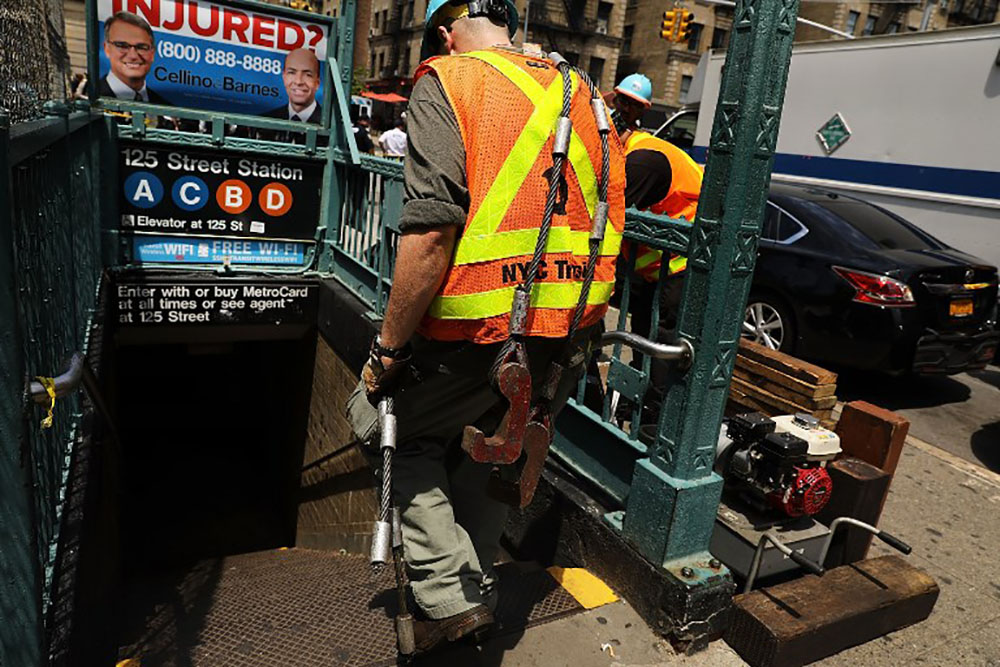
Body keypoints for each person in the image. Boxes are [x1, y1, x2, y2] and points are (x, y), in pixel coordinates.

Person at [346, 0, 625, 653]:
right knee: (493, 451)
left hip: (474, 331)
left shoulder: (449, 79)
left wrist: (386, 351)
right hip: (566, 326)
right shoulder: (581, 90)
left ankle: (446, 600)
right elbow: (607, 207)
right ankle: (478, 597)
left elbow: (432, 232)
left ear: (446, 31)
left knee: (384, 426)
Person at [609, 73, 704, 422]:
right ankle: (641, 400)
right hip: (653, 268)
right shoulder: (630, 153)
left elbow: (605, 218)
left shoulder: (641, 161)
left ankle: (654, 417)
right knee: (643, 334)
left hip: (680, 266)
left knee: (664, 341)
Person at [99, 11, 167, 104]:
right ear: (106, 49)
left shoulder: (165, 107)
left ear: (152, 53)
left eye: (141, 47)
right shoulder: (87, 98)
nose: (133, 56)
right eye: (122, 46)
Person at [264, 48, 323, 123]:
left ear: (317, 83)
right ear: (284, 77)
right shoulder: (267, 120)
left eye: (308, 75)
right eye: (292, 72)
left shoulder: (331, 127)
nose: (298, 81)